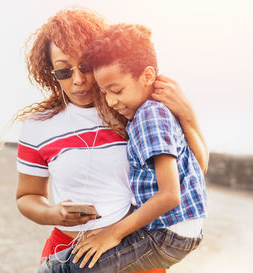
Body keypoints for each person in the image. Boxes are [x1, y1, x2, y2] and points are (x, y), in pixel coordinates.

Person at [15, 7, 208, 273]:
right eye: (64, 72)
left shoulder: (133, 108)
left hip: (131, 248)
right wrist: (53, 213)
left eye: (85, 67)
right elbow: (27, 195)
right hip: (70, 252)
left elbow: (192, 173)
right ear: (49, 72)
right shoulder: (39, 125)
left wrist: (187, 117)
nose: (78, 80)